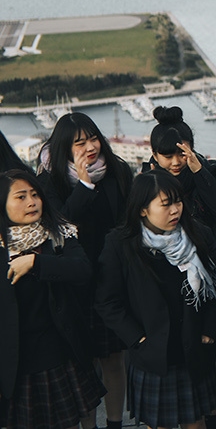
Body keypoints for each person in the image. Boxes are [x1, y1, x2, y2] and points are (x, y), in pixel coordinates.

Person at [96, 171, 216, 429]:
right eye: (166, 204)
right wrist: (137, 338)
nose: (176, 210)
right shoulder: (121, 244)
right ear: (143, 210)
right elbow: (107, 301)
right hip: (154, 352)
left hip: (193, 346)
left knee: (196, 423)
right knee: (160, 424)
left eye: (178, 202)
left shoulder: (198, 234)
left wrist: (210, 330)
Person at [37, 112, 134, 429]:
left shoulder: (117, 170)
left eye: (93, 138)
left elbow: (127, 222)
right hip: (74, 283)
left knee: (114, 360)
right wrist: (84, 185)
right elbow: (58, 228)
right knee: (82, 363)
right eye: (79, 142)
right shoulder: (48, 181)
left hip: (111, 278)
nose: (90, 147)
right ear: (65, 146)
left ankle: (115, 423)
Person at [0, 169, 105, 429]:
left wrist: (36, 263)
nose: (32, 202)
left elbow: (82, 270)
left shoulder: (58, 234)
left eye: (35, 195)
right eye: (21, 197)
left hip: (60, 352)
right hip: (17, 362)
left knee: (72, 421)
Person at [143, 106, 216, 247]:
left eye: (182, 154)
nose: (176, 162)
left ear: (191, 149)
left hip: (209, 254)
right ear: (154, 155)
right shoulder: (145, 183)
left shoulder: (208, 172)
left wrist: (199, 172)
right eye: (168, 156)